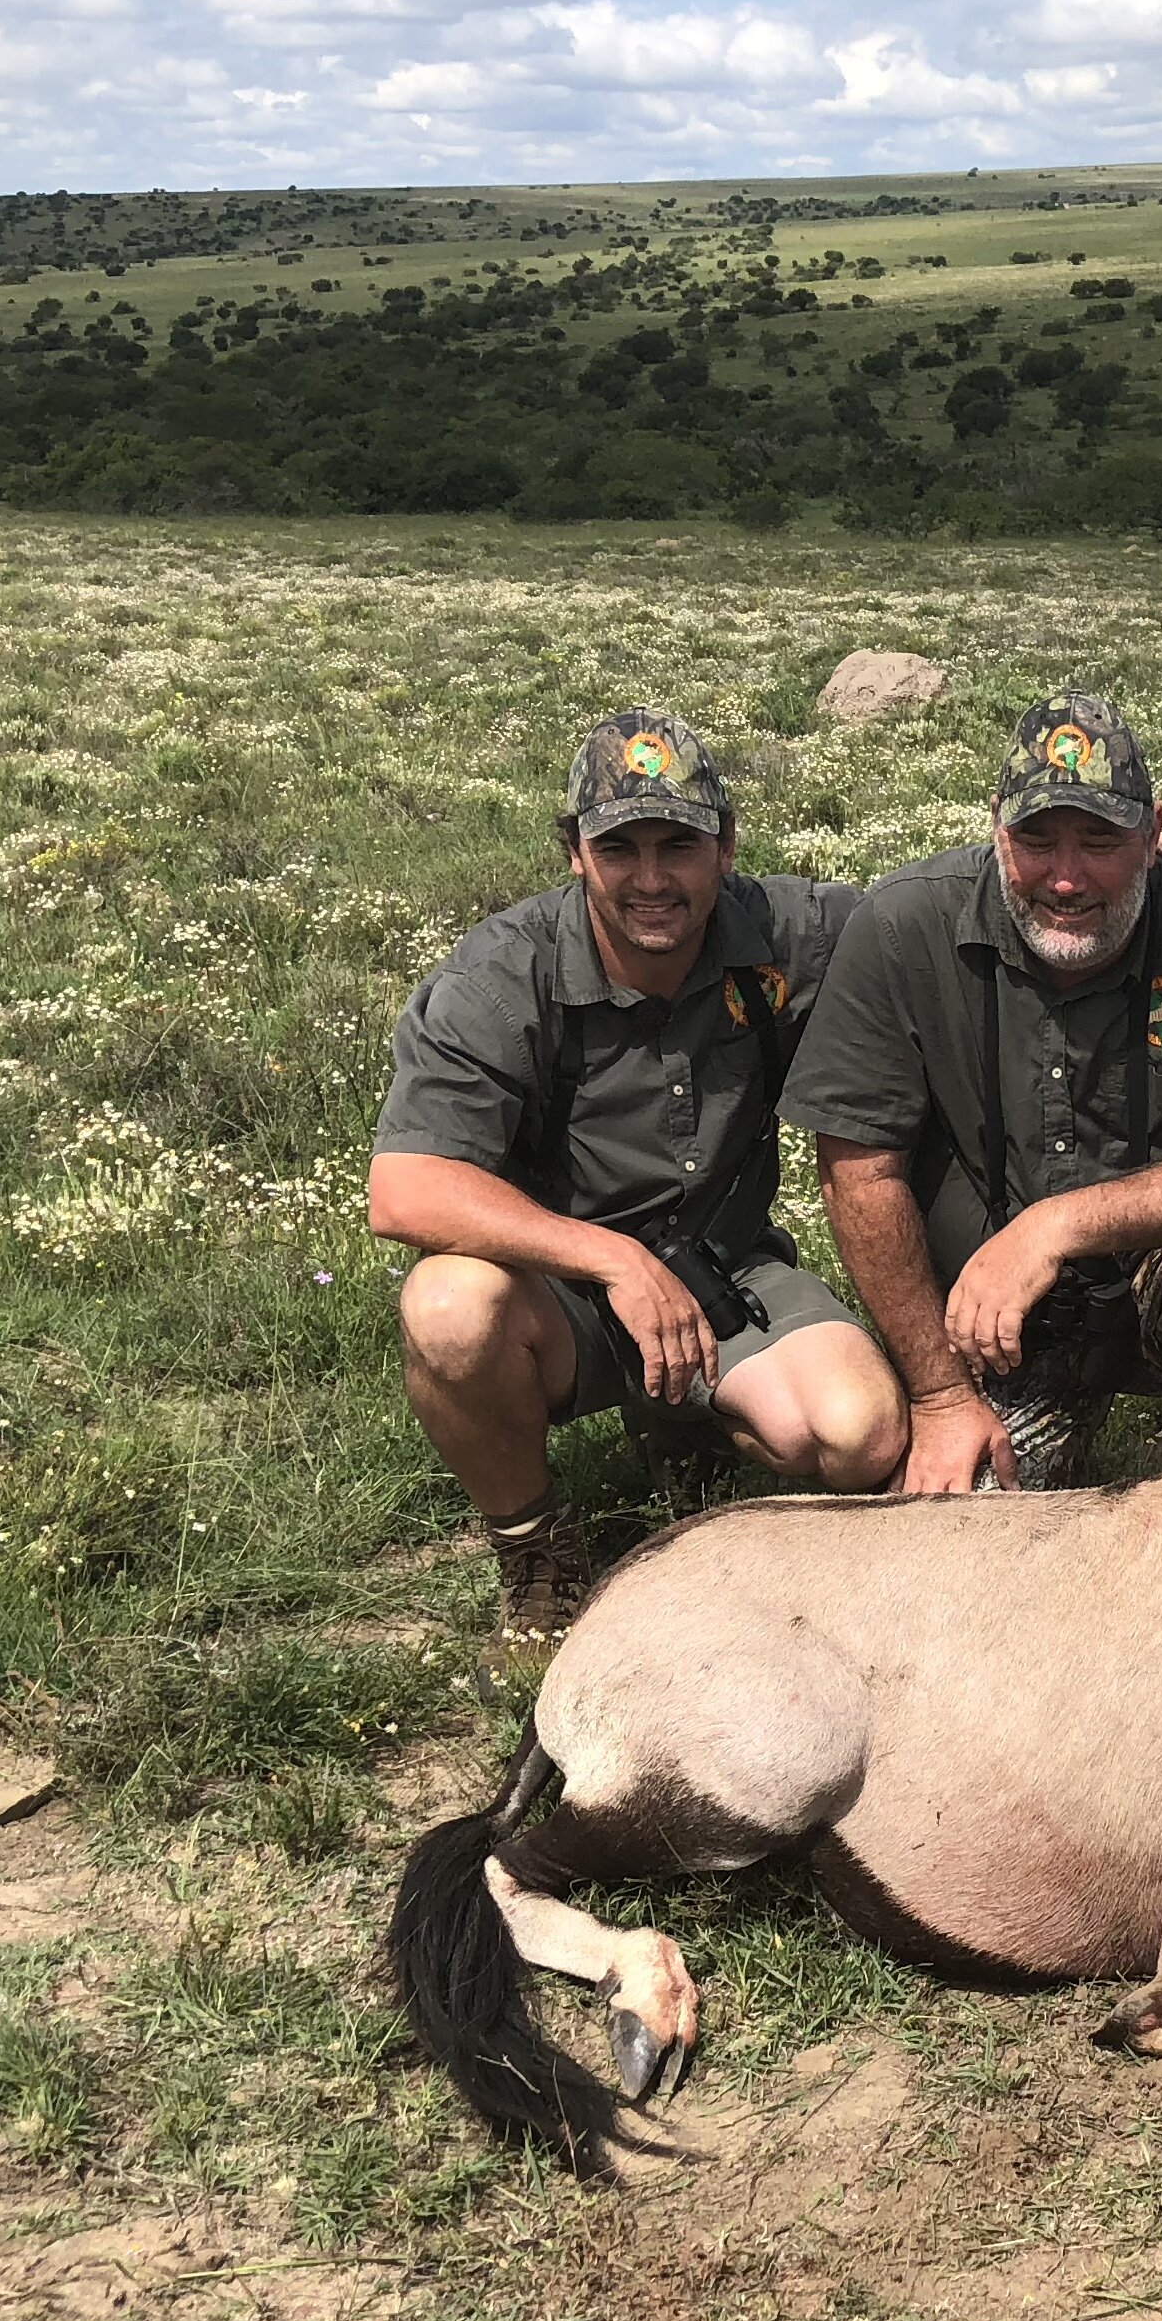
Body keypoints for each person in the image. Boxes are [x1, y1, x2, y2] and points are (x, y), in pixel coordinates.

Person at [370, 706, 906, 1650]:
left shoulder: (789, 931)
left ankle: (686, 1420)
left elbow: (935, 918)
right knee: (449, 1306)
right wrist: (613, 1260)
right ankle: (533, 1545)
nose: (652, 880)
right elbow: (405, 1188)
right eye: (621, 849)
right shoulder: (503, 972)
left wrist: (1126, 864)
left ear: (726, 847)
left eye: (680, 846)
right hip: (561, 1293)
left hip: (729, 1267)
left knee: (859, 1434)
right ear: (575, 851)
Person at [783, 692, 1162, 1493]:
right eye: (1037, 840)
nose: (1066, 878)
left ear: (1153, 833)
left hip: (1152, 1282)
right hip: (989, 1325)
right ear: (996, 829)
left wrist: (1055, 1226)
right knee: (960, 1547)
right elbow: (859, 1173)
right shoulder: (902, 926)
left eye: (1101, 841)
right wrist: (938, 1396)